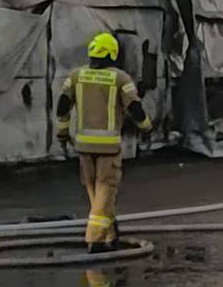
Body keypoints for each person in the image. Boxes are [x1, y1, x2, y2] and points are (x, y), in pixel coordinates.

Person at [56, 32, 153, 253]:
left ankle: (111, 233)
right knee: (106, 191)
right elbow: (135, 109)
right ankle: (95, 240)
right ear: (112, 54)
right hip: (108, 148)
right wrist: (147, 127)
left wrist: (62, 134)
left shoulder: (75, 76)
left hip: (83, 147)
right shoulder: (120, 78)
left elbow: (62, 107)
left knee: (95, 193)